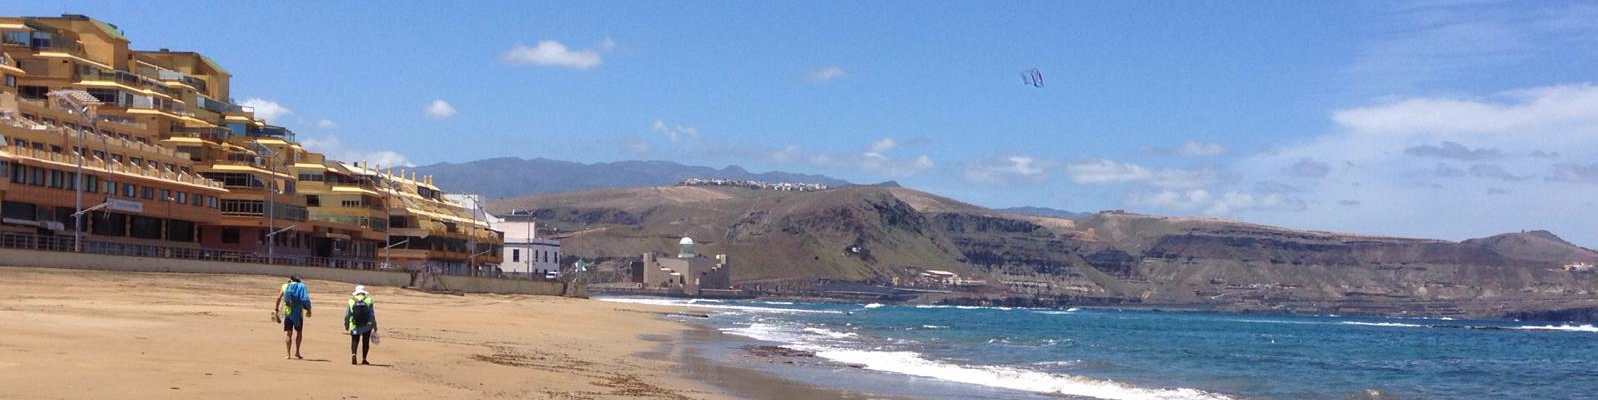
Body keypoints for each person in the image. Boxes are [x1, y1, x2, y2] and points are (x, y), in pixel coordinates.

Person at [273, 276, 312, 360]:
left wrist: (276, 308)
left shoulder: (285, 286)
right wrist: (308, 309)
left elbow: (278, 298)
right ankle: (297, 352)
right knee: (299, 332)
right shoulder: (301, 286)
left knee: (288, 333)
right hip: (298, 313)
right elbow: (305, 299)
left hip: (287, 313)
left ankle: (288, 354)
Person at [344, 285, 377, 365]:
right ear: (364, 292)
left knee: (355, 340)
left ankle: (354, 354)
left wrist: (346, 324)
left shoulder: (351, 300)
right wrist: (374, 324)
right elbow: (371, 314)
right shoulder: (369, 300)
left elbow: (347, 314)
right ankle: (364, 359)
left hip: (354, 324)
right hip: (367, 325)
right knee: (365, 341)